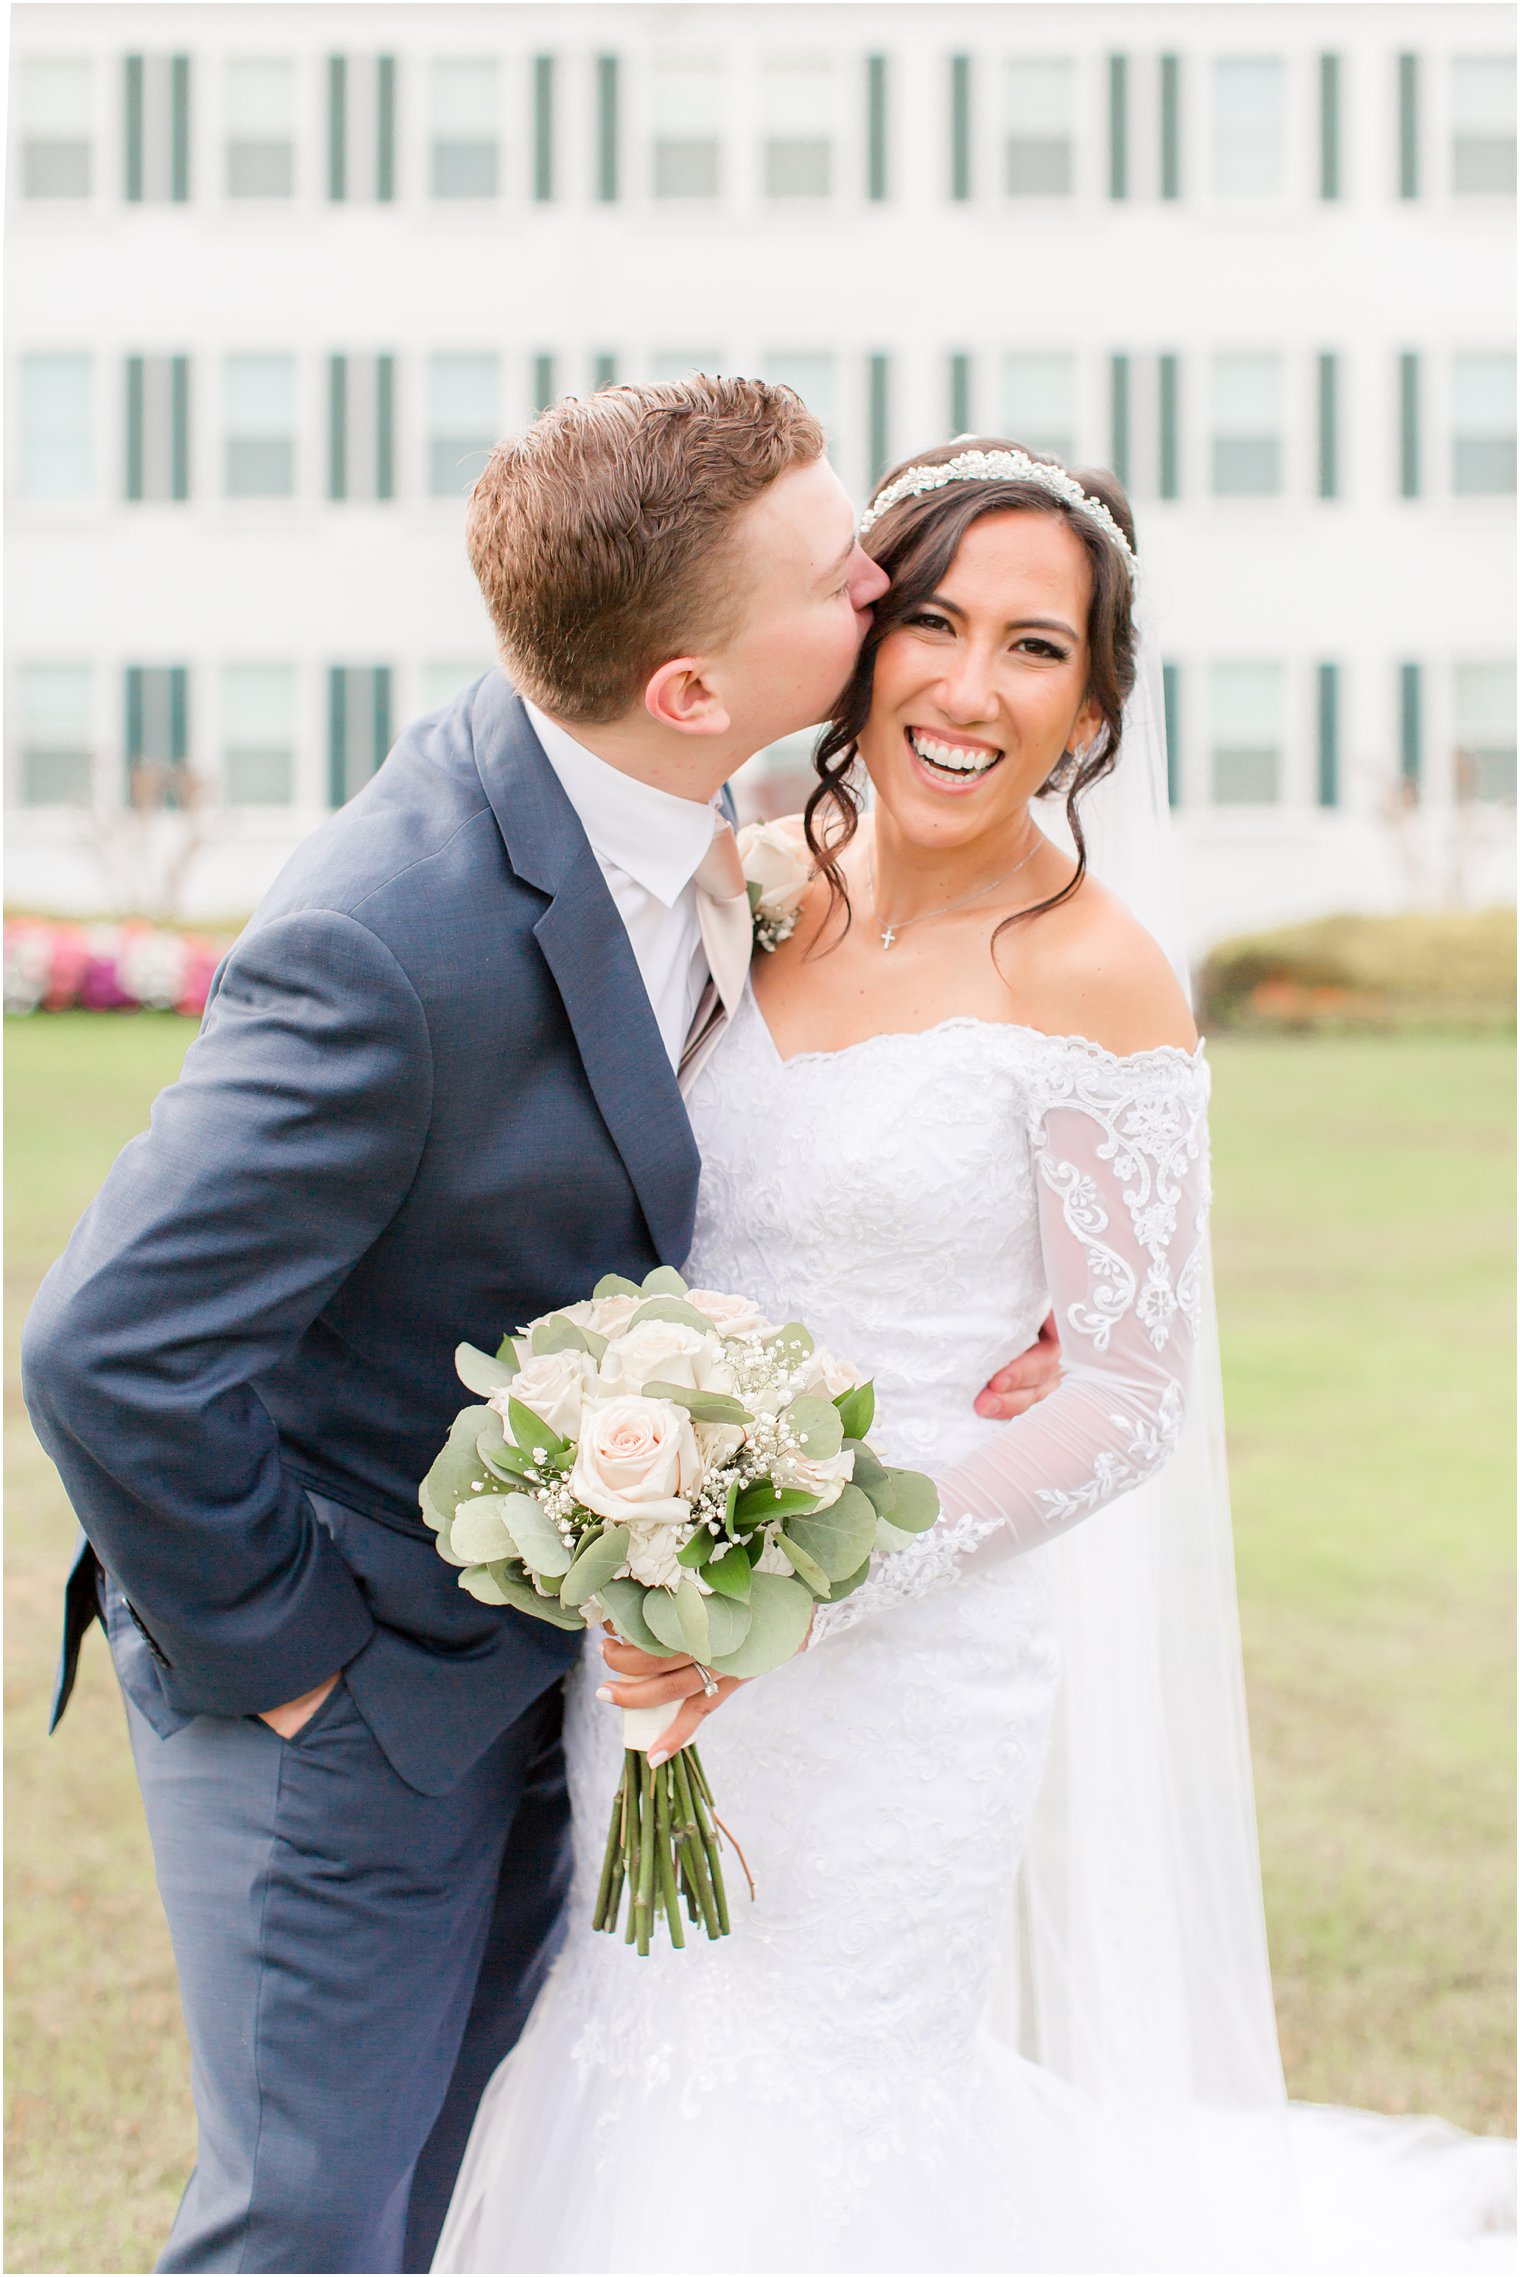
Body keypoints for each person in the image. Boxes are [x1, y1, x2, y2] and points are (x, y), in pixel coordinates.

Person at [432, 441, 1516, 2273]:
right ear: (858, 648)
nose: (967, 685)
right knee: (638, 2031)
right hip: (649, 1617)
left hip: (905, 1657)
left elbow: (1122, 1388)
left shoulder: (1098, 975)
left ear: (1093, 706)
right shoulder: (744, 891)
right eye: (930, 621)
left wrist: (797, 1590)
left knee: (834, 2079)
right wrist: (645, 1538)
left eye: (1035, 646)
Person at [19, 381, 1061, 2276]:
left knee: (460, 2190)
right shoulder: (391, 938)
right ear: (685, 686)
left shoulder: (674, 813)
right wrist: (297, 1669)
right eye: (845, 577)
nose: (886, 581)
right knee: (316, 2220)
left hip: (533, 1671)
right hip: (337, 1689)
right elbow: (109, 1345)